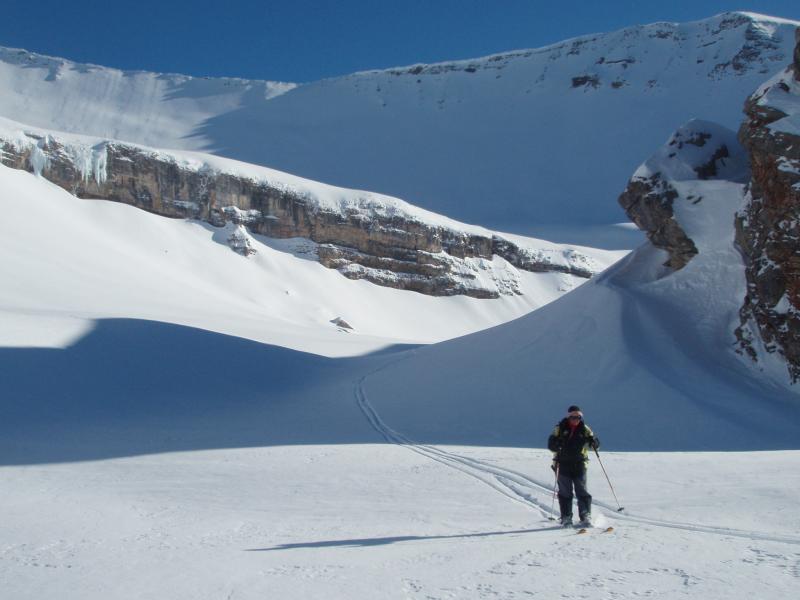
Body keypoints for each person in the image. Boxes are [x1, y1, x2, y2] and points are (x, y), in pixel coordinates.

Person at [547, 405, 600, 527]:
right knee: (565, 492)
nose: (576, 419)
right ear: (568, 417)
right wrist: (557, 443)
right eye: (573, 417)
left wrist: (594, 443)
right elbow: (550, 445)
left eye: (578, 417)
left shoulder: (585, 429)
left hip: (580, 464)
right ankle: (566, 517)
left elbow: (595, 444)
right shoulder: (559, 429)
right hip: (562, 464)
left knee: (582, 491)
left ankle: (585, 515)